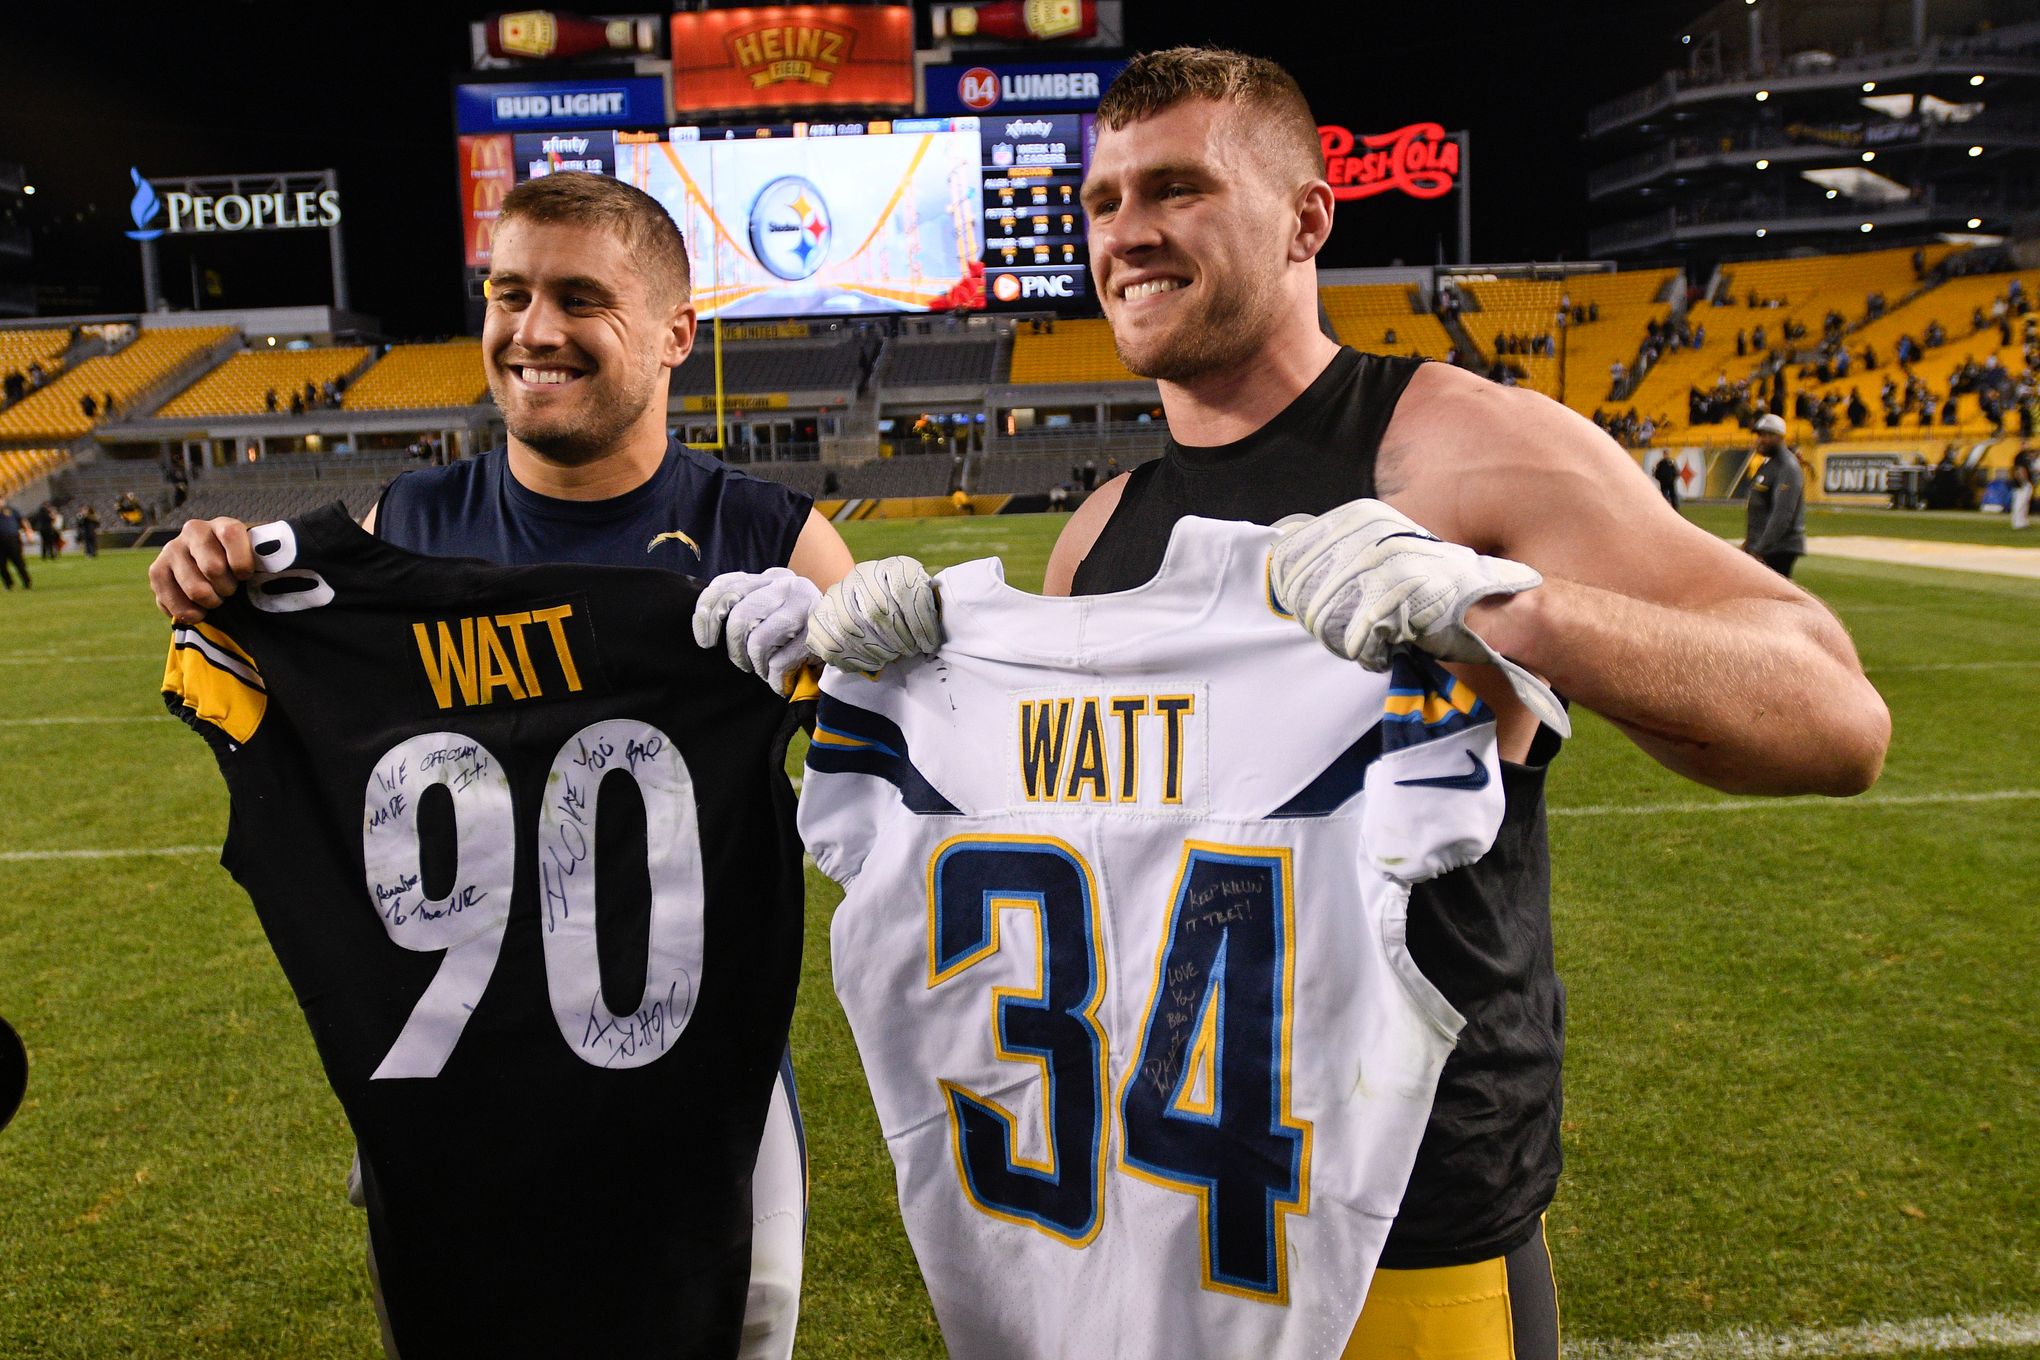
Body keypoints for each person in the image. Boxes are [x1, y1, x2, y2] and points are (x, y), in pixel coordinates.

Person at [803, 45, 1889, 1360]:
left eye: (1178, 189)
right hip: (1152, 1222)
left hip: (1410, 1234)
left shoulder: (1459, 446)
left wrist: (1506, 607)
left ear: (1309, 217)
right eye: (1102, 203)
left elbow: (1836, 718)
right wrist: (878, 678)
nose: (1129, 233)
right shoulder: (1101, 532)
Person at [146, 170, 853, 1360]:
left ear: (678, 331)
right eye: (508, 292)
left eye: (580, 297)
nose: (532, 330)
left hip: (696, 1078)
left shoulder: (770, 539)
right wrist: (212, 585)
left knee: (739, 1320)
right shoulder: (394, 532)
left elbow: (909, 781)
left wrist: (860, 645)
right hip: (449, 1092)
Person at [1742, 413, 1807, 577]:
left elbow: (1782, 515)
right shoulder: (1770, 464)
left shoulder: (1787, 467)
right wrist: (1749, 543)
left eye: (1766, 435)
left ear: (1779, 437)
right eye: (1759, 435)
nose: (1760, 440)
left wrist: (1760, 549)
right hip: (1767, 546)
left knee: (1771, 599)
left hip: (1778, 548)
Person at [0, 495, 28, 589]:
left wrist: (28, 531)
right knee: (2, 564)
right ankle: (8, 584)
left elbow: (22, 520)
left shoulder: (11, 510)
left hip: (12, 539)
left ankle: (27, 582)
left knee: (18, 562)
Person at [2010, 451, 2033, 531]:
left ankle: (2022, 522)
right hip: (2022, 486)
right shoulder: (2021, 463)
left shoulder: (2019, 464)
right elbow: (2021, 473)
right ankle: (2018, 523)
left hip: (2021, 485)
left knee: (2022, 505)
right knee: (2020, 505)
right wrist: (2023, 482)